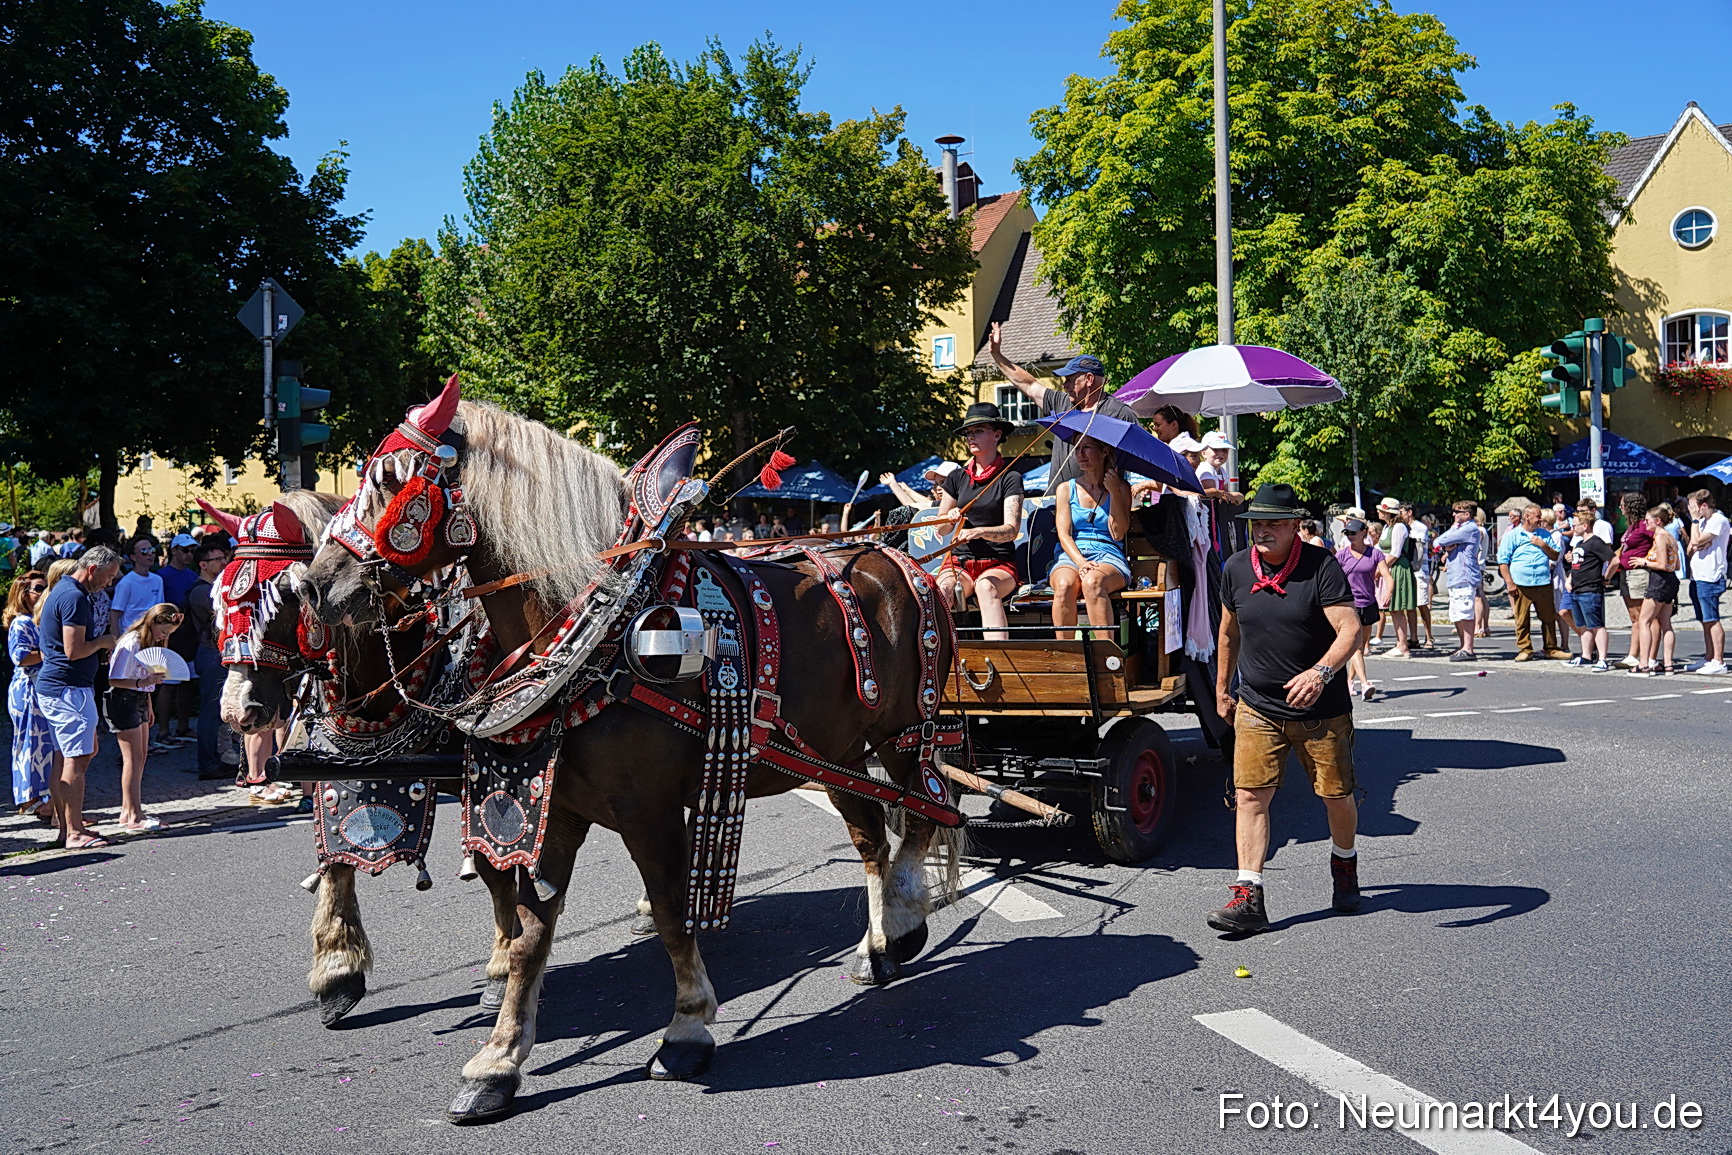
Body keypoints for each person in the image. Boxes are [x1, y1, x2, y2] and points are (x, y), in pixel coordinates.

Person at [1209, 484, 1362, 934]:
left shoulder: (1321, 567)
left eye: (1274, 523)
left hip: (1321, 709)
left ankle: (1345, 864)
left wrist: (1320, 674)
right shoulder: (1236, 568)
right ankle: (1248, 895)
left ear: (1296, 526)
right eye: (1258, 522)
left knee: (1336, 795)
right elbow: (1227, 633)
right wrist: (1222, 688)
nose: (1263, 530)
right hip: (1257, 704)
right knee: (1249, 797)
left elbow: (1349, 630)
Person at [36, 545, 123, 849]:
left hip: (63, 686)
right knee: (76, 758)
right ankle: (73, 832)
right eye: (108, 576)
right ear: (92, 569)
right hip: (68, 688)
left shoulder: (66, 591)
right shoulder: (74, 596)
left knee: (70, 756)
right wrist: (104, 641)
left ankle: (66, 829)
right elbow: (74, 651)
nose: (109, 583)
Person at [986, 323, 1137, 490]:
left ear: (1088, 379)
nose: (1065, 385)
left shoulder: (1120, 413)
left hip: (1103, 507)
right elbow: (1029, 384)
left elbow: (1137, 459)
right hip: (1058, 503)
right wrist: (997, 355)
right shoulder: (1061, 402)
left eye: (1070, 380)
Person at [934, 403, 1024, 642]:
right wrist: (948, 519)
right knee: (942, 590)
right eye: (968, 432)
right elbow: (941, 529)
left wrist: (980, 532)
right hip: (959, 563)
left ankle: (1000, 660)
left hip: (998, 563)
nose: (971, 437)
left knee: (986, 587)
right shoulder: (956, 477)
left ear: (997, 435)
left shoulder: (1010, 476)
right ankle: (940, 660)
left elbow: (1011, 531)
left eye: (979, 430)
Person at [104, 602, 179, 831]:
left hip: (138, 698)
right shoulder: (132, 641)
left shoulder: (149, 642)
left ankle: (129, 811)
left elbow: (146, 679)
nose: (163, 637)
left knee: (141, 757)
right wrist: (142, 683)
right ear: (154, 622)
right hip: (123, 700)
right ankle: (134, 815)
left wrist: (148, 701)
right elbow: (114, 679)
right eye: (163, 632)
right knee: (133, 759)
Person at [1049, 436, 1132, 641]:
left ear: (1104, 451)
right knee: (1063, 585)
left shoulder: (1121, 488)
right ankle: (1068, 659)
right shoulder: (1066, 489)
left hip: (1108, 554)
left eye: (1086, 448)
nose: (1080, 454)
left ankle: (1106, 660)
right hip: (1072, 554)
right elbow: (1064, 534)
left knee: (1093, 582)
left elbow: (1118, 533)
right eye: (1077, 449)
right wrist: (1082, 563)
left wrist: (1113, 492)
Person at [6, 572, 55, 822]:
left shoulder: (40, 620)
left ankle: (46, 798)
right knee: (31, 744)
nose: (43, 592)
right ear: (23, 594)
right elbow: (21, 657)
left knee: (45, 745)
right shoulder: (22, 622)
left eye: (46, 588)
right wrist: (51, 653)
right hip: (27, 690)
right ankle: (32, 800)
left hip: (41, 688)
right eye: (38, 588)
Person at [1497, 504, 1569, 661]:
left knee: (1548, 617)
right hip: (1521, 582)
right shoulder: (1513, 535)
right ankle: (1525, 648)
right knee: (1522, 618)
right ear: (1527, 517)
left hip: (1543, 581)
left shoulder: (1544, 534)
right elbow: (1503, 561)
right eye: (1537, 516)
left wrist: (1543, 545)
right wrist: (1509, 583)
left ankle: (1551, 648)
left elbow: (1555, 556)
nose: (1540, 519)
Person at [185, 540, 231, 779]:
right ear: (203, 564)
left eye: (225, 557)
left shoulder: (212, 587)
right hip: (210, 654)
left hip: (216, 653)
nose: (224, 562)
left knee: (220, 711)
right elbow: (225, 611)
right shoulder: (202, 591)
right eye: (218, 559)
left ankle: (218, 758)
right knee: (210, 712)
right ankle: (208, 764)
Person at [1333, 518, 1391, 700]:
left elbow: (1388, 576)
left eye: (1353, 533)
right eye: (1347, 533)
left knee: (1361, 647)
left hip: (1369, 603)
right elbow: (1331, 578)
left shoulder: (1375, 554)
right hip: (1349, 605)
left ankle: (1349, 681)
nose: (1350, 536)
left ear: (1363, 533)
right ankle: (1365, 683)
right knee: (1356, 647)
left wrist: (1388, 593)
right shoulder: (1342, 555)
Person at [1627, 504, 1681, 676]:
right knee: (1666, 623)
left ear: (1657, 521)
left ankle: (1644, 664)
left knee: (1644, 621)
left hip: (1659, 579)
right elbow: (1676, 564)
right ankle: (1668, 663)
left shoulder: (1660, 536)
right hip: (1671, 580)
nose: (1646, 523)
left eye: (1648, 520)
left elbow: (1663, 564)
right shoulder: (1671, 537)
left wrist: (1644, 562)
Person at [156, 533, 200, 745]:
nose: (189, 554)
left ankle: (183, 726)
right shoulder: (161, 576)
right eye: (184, 550)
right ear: (174, 550)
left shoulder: (193, 576)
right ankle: (163, 731)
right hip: (169, 636)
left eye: (192, 551)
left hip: (188, 635)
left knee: (186, 682)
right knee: (168, 682)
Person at [1433, 501, 1484, 661]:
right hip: (1455, 576)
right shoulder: (1460, 528)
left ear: (1467, 514)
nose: (1453, 514)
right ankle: (1463, 646)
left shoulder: (1469, 528)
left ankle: (1468, 648)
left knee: (1465, 612)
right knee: (1456, 614)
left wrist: (1444, 543)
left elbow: (1440, 540)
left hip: (1464, 575)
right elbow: (1438, 543)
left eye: (1457, 512)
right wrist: (1445, 546)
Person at [1686, 489, 1730, 674]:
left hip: (1711, 576)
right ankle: (1709, 657)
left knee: (1712, 618)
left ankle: (1719, 661)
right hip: (1698, 575)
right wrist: (1697, 541)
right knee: (1704, 620)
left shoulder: (1718, 520)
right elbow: (1691, 546)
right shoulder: (1702, 522)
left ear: (1703, 505)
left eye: (1693, 507)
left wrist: (1695, 524)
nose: (1691, 511)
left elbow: (1696, 540)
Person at [1564, 509, 1613, 671]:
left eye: (1575, 525)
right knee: (1583, 626)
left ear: (1585, 526)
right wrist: (1570, 579)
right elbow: (1577, 566)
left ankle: (1603, 658)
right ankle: (1586, 655)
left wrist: (1606, 578)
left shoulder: (1595, 542)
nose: (1573, 527)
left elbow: (1614, 560)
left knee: (1596, 625)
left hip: (1590, 589)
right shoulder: (1580, 544)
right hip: (1576, 589)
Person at [1612, 493, 1653, 667]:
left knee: (1643, 617)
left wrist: (1648, 561)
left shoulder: (1644, 525)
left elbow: (1660, 541)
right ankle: (1633, 654)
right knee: (1634, 617)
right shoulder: (1632, 526)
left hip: (1638, 574)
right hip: (1625, 573)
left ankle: (1645, 656)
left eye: (1622, 505)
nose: (1620, 508)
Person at [1376, 498, 1418, 656]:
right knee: (1393, 608)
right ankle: (1400, 643)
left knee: (1397, 607)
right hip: (1390, 567)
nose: (1378, 512)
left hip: (1398, 568)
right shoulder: (1388, 527)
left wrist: (1380, 569)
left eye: (1381, 510)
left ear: (1387, 512)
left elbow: (1395, 553)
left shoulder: (1399, 527)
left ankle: (1402, 645)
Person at [1541, 509, 1580, 659]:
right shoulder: (1543, 535)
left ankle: (1564, 643)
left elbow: (1554, 559)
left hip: (1555, 576)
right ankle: (1551, 644)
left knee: (1560, 612)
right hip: (1546, 577)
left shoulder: (1556, 535)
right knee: (1550, 612)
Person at [109, 535, 164, 637]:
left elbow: (160, 610)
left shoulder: (158, 580)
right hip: (131, 637)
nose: (149, 554)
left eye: (152, 550)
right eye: (144, 551)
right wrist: (116, 642)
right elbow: (114, 615)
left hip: (153, 637)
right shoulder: (126, 583)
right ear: (133, 557)